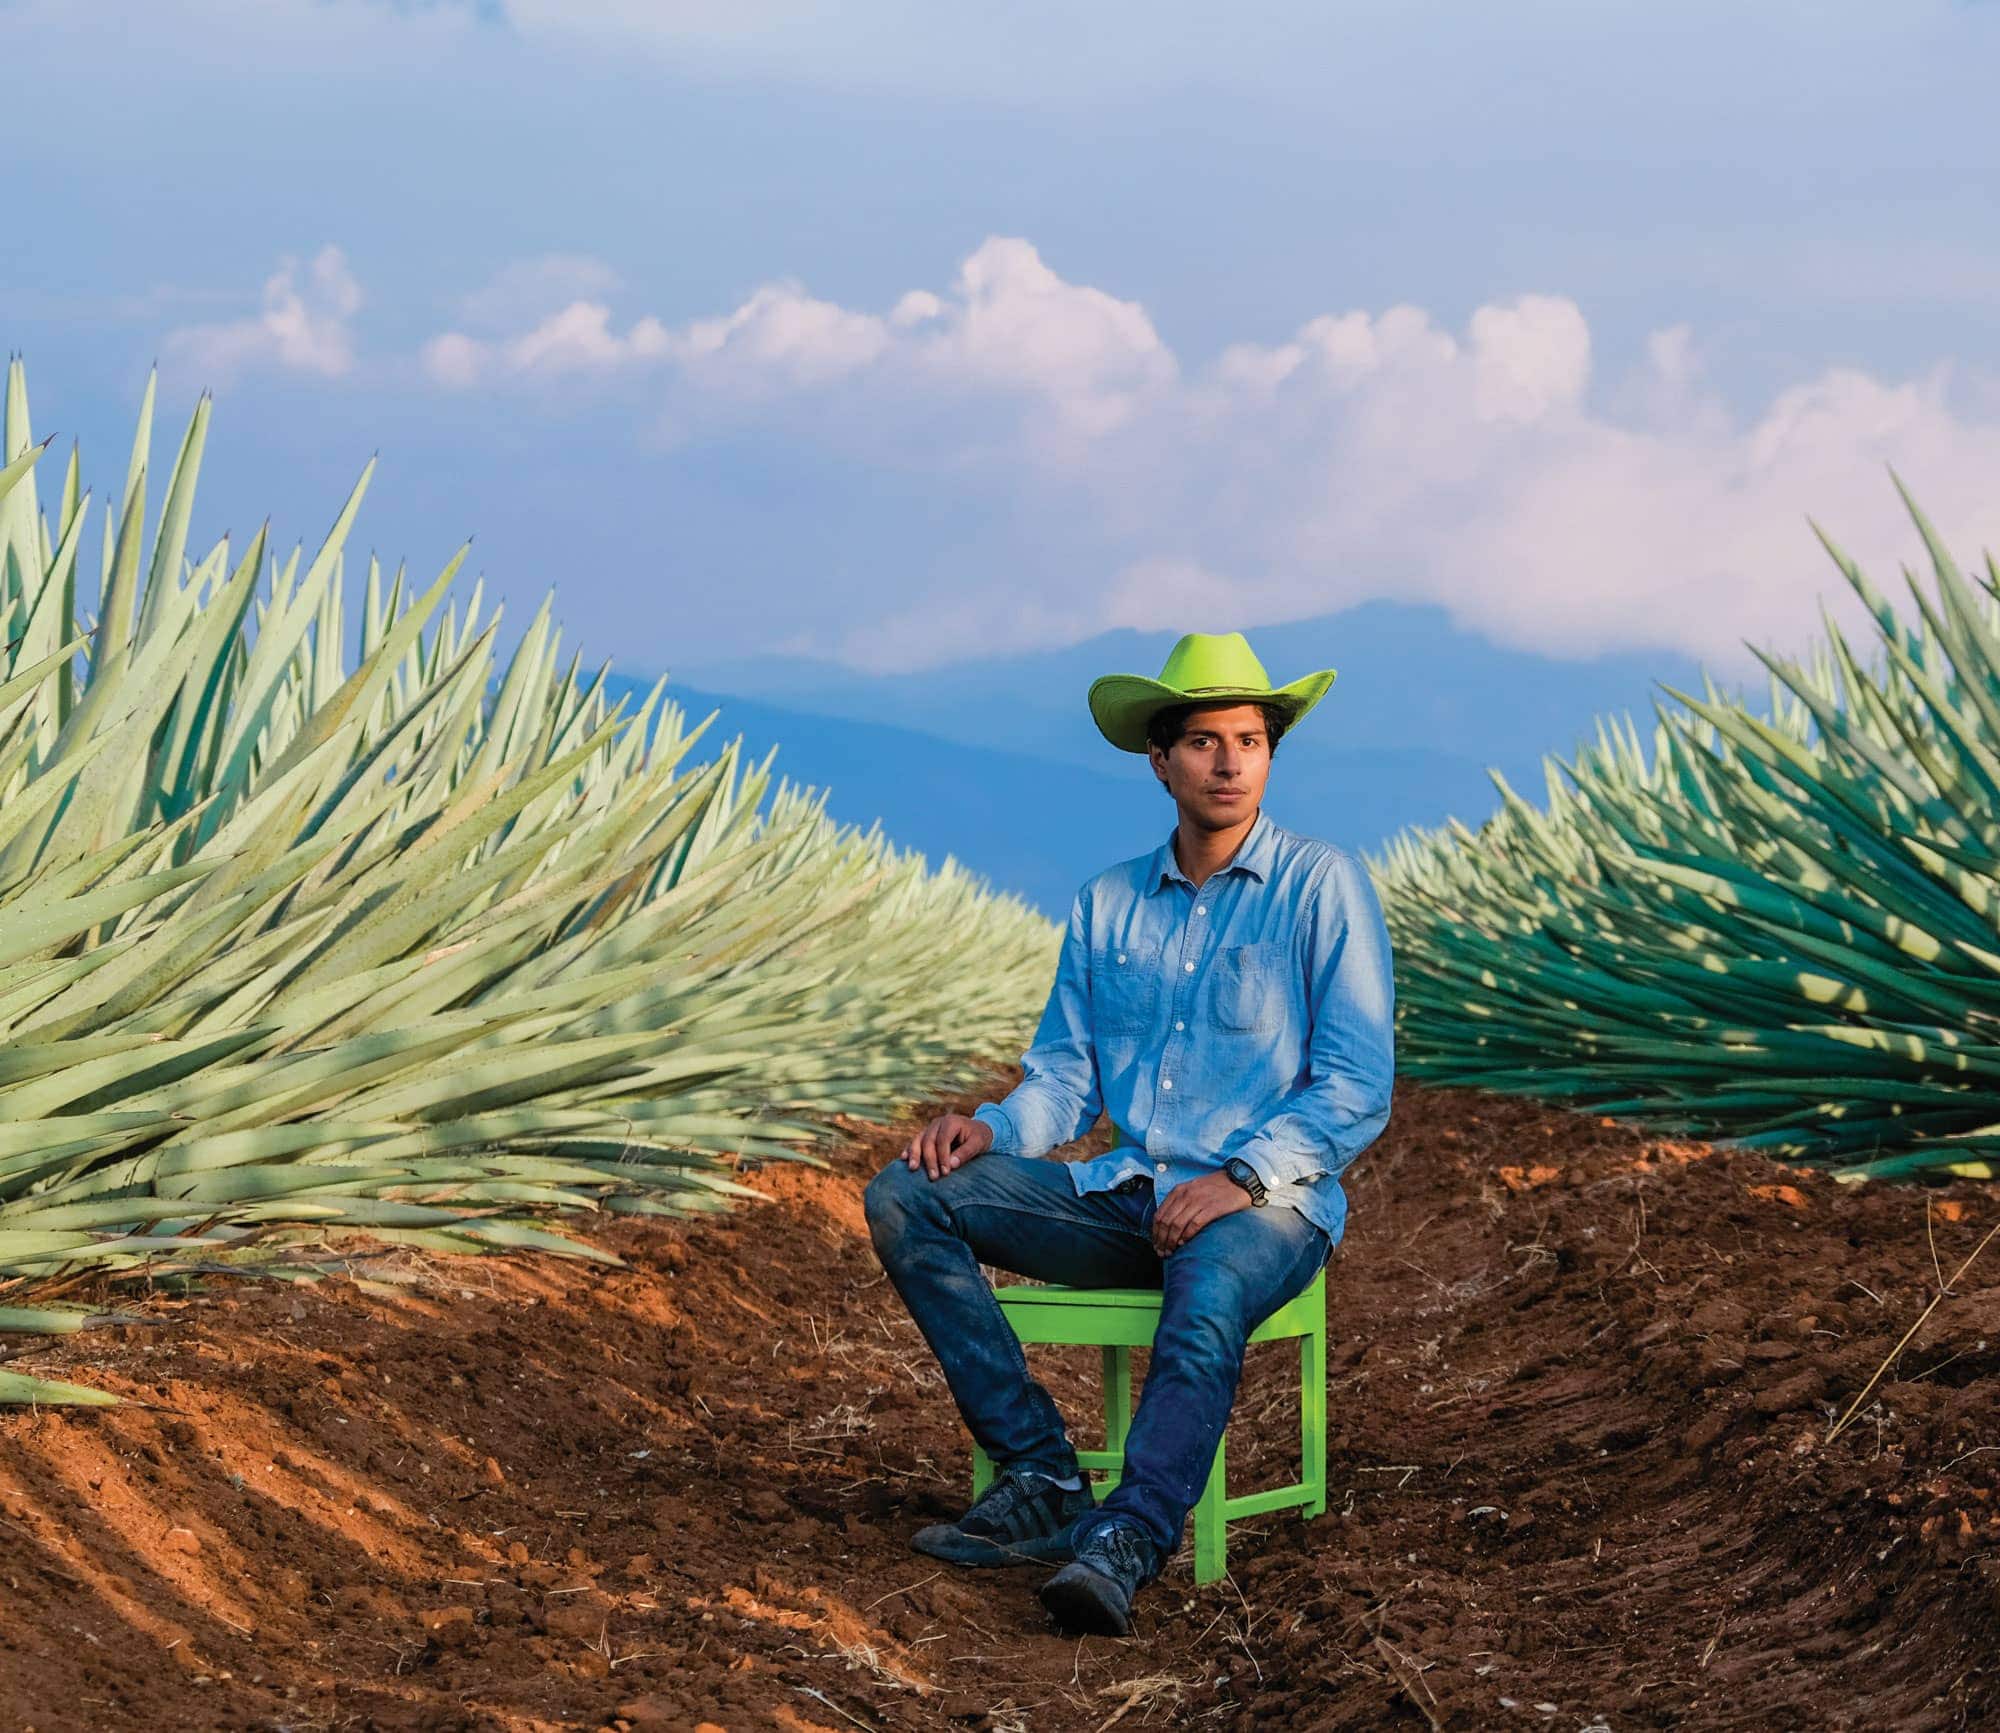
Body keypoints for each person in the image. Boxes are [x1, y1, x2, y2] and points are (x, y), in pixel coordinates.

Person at [862, 629, 1396, 1636]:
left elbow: (1357, 1084)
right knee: (904, 1194)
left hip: (1269, 1209)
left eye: (1249, 737)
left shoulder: (1320, 886)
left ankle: (1126, 1535)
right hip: (1127, 1194)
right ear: (1160, 760)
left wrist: (1239, 1175)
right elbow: (1062, 1077)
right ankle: (1041, 1475)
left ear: (1270, 753)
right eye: (1203, 739)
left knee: (1206, 1287)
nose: (1230, 760)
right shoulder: (1108, 902)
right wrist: (992, 1128)